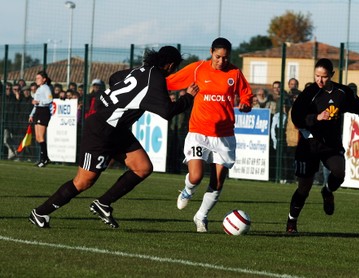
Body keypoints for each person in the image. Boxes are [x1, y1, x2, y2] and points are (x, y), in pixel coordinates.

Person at [29, 46, 199, 229]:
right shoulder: (156, 77)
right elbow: (167, 112)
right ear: (171, 65)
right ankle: (40, 213)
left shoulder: (140, 70)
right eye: (175, 67)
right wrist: (188, 98)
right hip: (101, 129)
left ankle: (103, 203)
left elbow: (114, 78)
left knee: (142, 167)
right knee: (83, 181)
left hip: (116, 129)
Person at [166, 37, 253, 233]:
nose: (221, 61)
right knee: (196, 176)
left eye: (225, 58)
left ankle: (201, 217)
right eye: (217, 57)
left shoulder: (235, 73)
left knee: (217, 181)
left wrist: (246, 103)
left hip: (224, 136)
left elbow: (246, 93)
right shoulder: (198, 69)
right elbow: (172, 81)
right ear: (211, 52)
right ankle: (188, 190)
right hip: (199, 132)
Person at [286, 58, 359, 234]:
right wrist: (315, 118)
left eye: (324, 77)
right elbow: (296, 118)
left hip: (330, 144)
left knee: (339, 172)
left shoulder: (342, 93)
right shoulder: (309, 93)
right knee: (304, 187)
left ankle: (327, 191)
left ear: (332, 75)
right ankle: (292, 221)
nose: (320, 80)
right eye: (317, 76)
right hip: (309, 144)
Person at [28, 71, 53, 167]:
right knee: (38, 138)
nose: (36, 80)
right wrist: (31, 114)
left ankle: (45, 159)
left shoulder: (46, 88)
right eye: (36, 78)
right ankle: (42, 158)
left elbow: (50, 100)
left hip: (43, 112)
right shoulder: (39, 89)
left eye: (38, 78)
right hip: (38, 112)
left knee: (41, 137)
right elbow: (36, 103)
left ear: (44, 79)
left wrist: (39, 102)